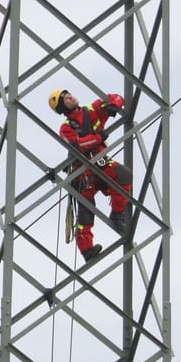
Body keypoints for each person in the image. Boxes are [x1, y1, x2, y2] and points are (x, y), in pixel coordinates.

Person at [47, 89, 132, 264]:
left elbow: (114, 98)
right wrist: (97, 137)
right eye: (64, 99)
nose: (69, 96)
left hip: (99, 164)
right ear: (62, 107)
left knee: (123, 175)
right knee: (86, 211)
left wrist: (112, 106)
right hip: (82, 172)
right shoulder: (66, 128)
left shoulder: (90, 111)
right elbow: (76, 146)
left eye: (68, 94)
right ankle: (87, 250)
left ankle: (117, 214)